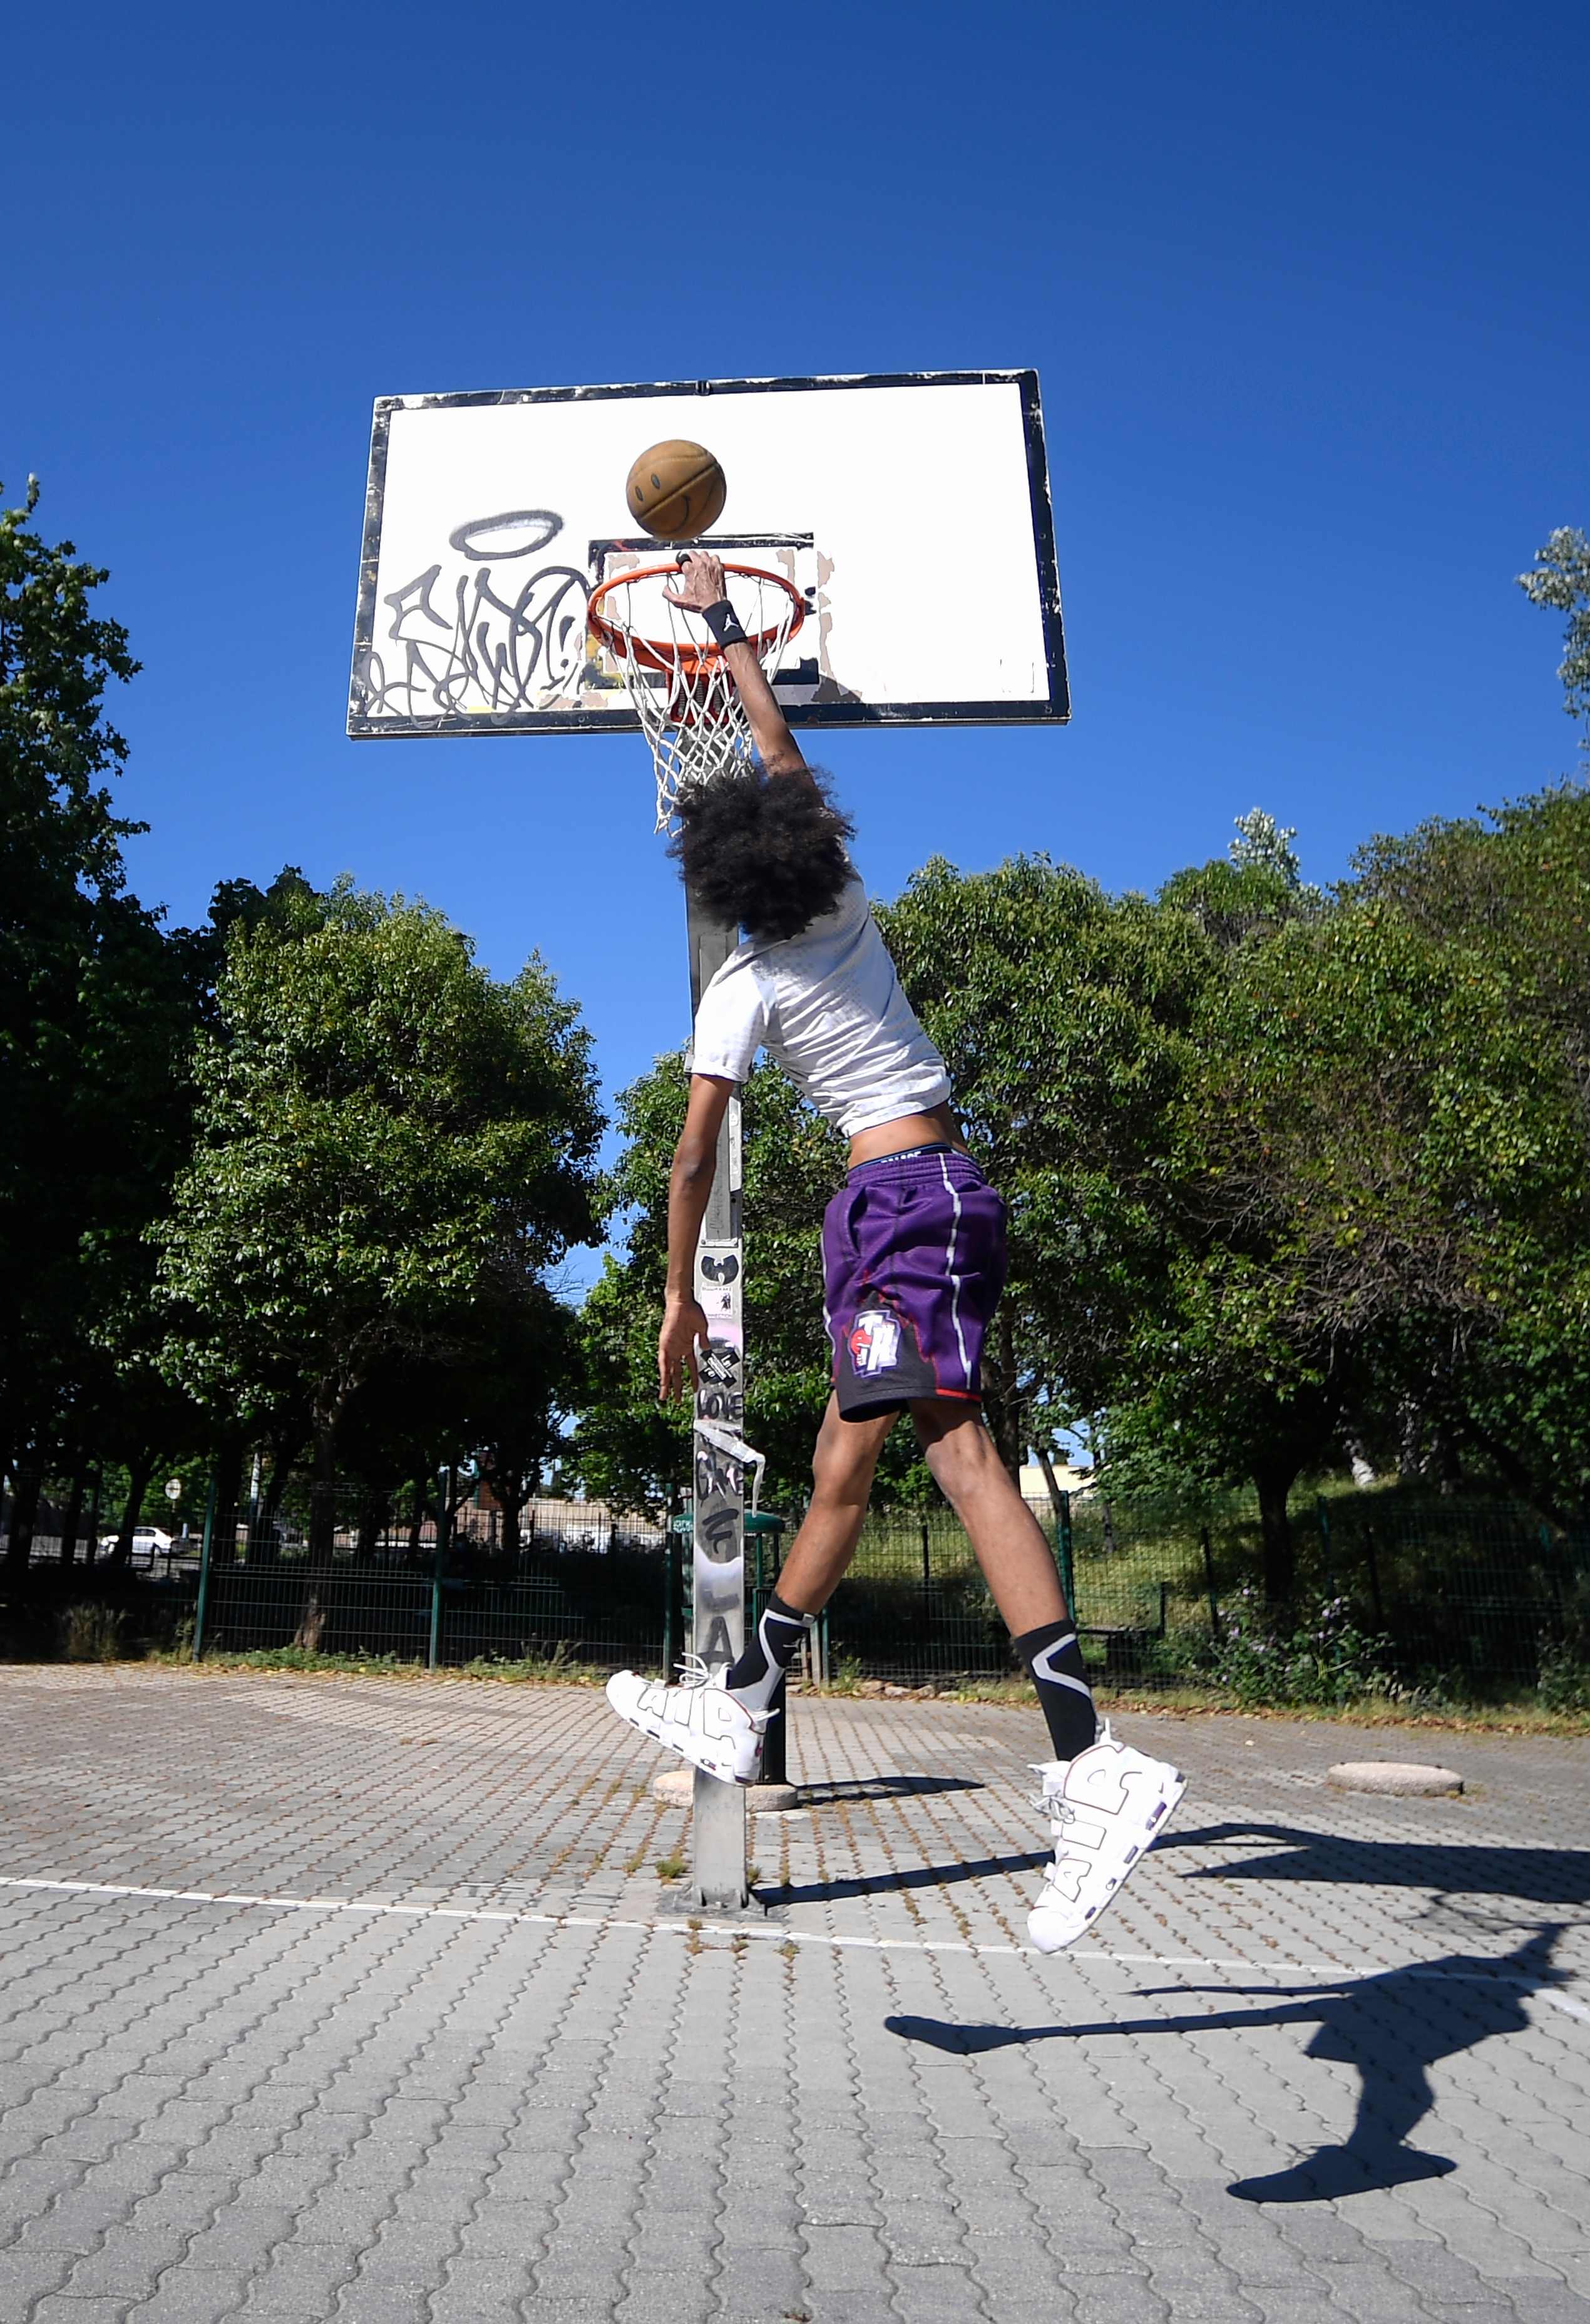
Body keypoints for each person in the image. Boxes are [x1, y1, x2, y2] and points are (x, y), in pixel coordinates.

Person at [604, 550, 1183, 1954]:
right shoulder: (845, 899)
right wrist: (730, 629)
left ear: (714, 875)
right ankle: (740, 1703)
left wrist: (675, 1287)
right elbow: (783, 750)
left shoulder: (741, 980)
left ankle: (1094, 1761)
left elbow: (693, 1156)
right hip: (932, 1193)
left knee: (957, 1456)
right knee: (842, 1461)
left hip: (901, 1200)